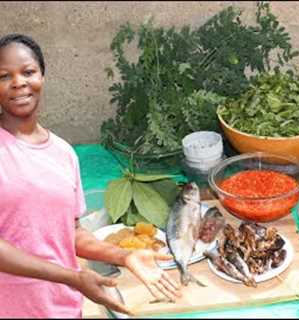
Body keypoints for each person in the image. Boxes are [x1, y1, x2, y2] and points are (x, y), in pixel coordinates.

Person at [0, 33, 181, 318]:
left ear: (42, 77)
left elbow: (70, 233)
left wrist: (124, 255)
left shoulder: (63, 153)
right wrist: (73, 278)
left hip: (62, 307)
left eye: (28, 72)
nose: (18, 82)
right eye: (4, 76)